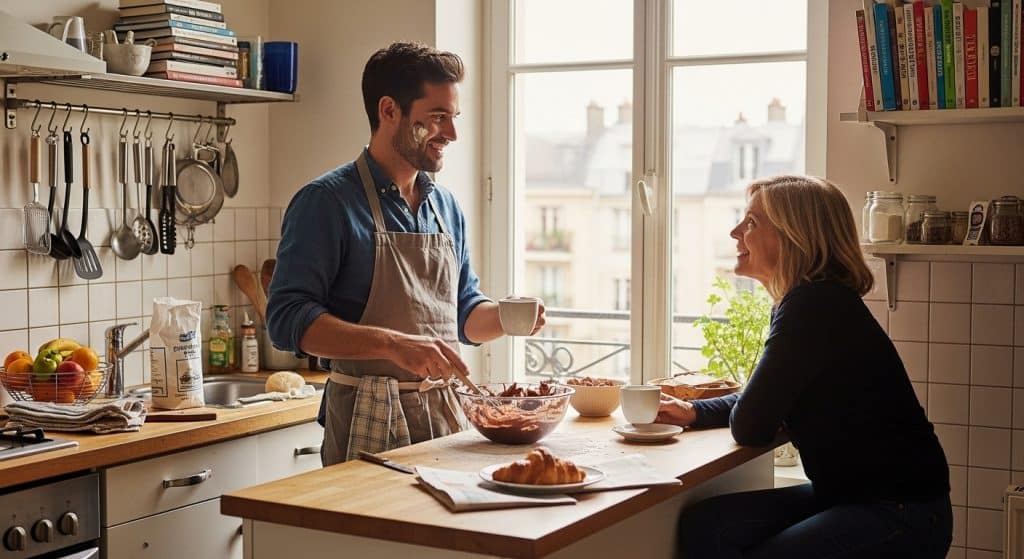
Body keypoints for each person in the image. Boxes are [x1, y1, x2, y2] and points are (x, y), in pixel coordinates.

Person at [267, 42, 545, 467]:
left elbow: (462, 315)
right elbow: (286, 320)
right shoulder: (326, 202)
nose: (451, 134)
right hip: (367, 419)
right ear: (389, 111)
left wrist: (507, 318)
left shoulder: (445, 206)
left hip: (446, 420)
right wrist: (394, 345)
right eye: (437, 117)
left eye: (453, 118)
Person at [659, 176, 952, 558]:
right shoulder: (808, 301)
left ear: (793, 236)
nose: (735, 233)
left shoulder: (813, 306)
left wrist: (760, 412)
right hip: (855, 495)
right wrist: (694, 411)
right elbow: (765, 399)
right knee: (709, 526)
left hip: (899, 511)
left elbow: (751, 423)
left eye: (751, 223)